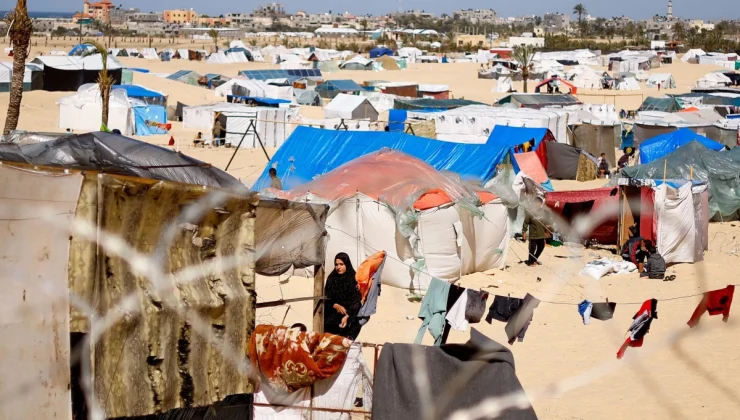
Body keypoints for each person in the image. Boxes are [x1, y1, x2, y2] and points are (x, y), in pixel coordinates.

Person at [324, 252, 363, 339]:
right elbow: (326, 297)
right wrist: (335, 305)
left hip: (349, 315)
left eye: (341, 264)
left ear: (347, 264)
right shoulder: (331, 278)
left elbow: (356, 301)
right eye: (336, 264)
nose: (338, 267)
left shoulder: (354, 279)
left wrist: (347, 315)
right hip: (332, 316)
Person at [522, 197, 550, 266]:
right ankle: (530, 262)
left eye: (539, 203)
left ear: (541, 203)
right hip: (533, 235)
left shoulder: (544, 212)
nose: (538, 204)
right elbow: (525, 222)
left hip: (541, 234)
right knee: (532, 249)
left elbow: (545, 223)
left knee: (541, 248)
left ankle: (534, 259)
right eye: (536, 203)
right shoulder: (530, 212)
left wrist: (547, 231)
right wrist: (524, 232)